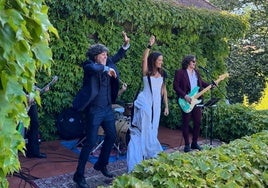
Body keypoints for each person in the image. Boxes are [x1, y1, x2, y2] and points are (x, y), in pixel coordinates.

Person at [72, 32, 130, 188]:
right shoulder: (89, 65)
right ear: (95, 56)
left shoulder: (109, 62)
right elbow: (94, 68)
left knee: (111, 136)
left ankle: (101, 164)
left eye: (106, 55)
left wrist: (125, 45)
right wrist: (106, 70)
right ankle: (79, 176)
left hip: (107, 109)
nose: (106, 57)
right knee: (90, 142)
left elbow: (118, 55)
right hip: (94, 110)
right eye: (102, 55)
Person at [127, 35, 169, 173]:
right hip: (145, 104)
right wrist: (149, 46)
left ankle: (148, 158)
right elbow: (144, 58)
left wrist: (166, 106)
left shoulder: (162, 74)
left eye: (162, 60)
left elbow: (164, 90)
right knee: (145, 131)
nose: (161, 62)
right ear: (154, 61)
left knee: (153, 130)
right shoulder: (147, 73)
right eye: (159, 60)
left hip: (156, 106)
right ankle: (141, 158)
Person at [173, 55, 210, 152]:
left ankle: (194, 143)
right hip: (185, 100)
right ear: (188, 62)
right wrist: (185, 96)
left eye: (195, 61)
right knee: (186, 123)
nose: (195, 63)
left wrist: (210, 85)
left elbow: (200, 83)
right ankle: (187, 144)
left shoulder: (196, 72)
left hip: (196, 100)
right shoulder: (180, 72)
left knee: (198, 122)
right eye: (193, 61)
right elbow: (176, 86)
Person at [25, 86, 49, 159]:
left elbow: (32, 86)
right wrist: (27, 96)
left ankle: (33, 152)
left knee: (34, 125)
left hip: (31, 103)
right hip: (23, 102)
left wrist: (42, 90)